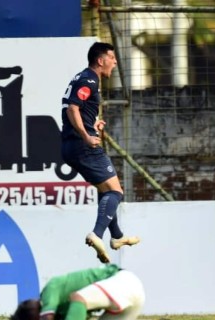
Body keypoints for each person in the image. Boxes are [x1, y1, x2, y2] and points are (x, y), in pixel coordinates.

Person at [61, 42, 140, 263]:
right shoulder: (89, 79)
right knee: (115, 192)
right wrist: (86, 136)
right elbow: (72, 108)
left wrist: (92, 126)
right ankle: (96, 234)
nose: (115, 62)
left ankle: (116, 236)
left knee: (104, 188)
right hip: (83, 145)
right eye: (112, 57)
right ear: (100, 60)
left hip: (70, 145)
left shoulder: (83, 78)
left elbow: (75, 108)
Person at [9, 264, 173, 320]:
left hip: (124, 281)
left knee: (78, 298)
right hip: (131, 298)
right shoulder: (58, 317)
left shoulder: (50, 291)